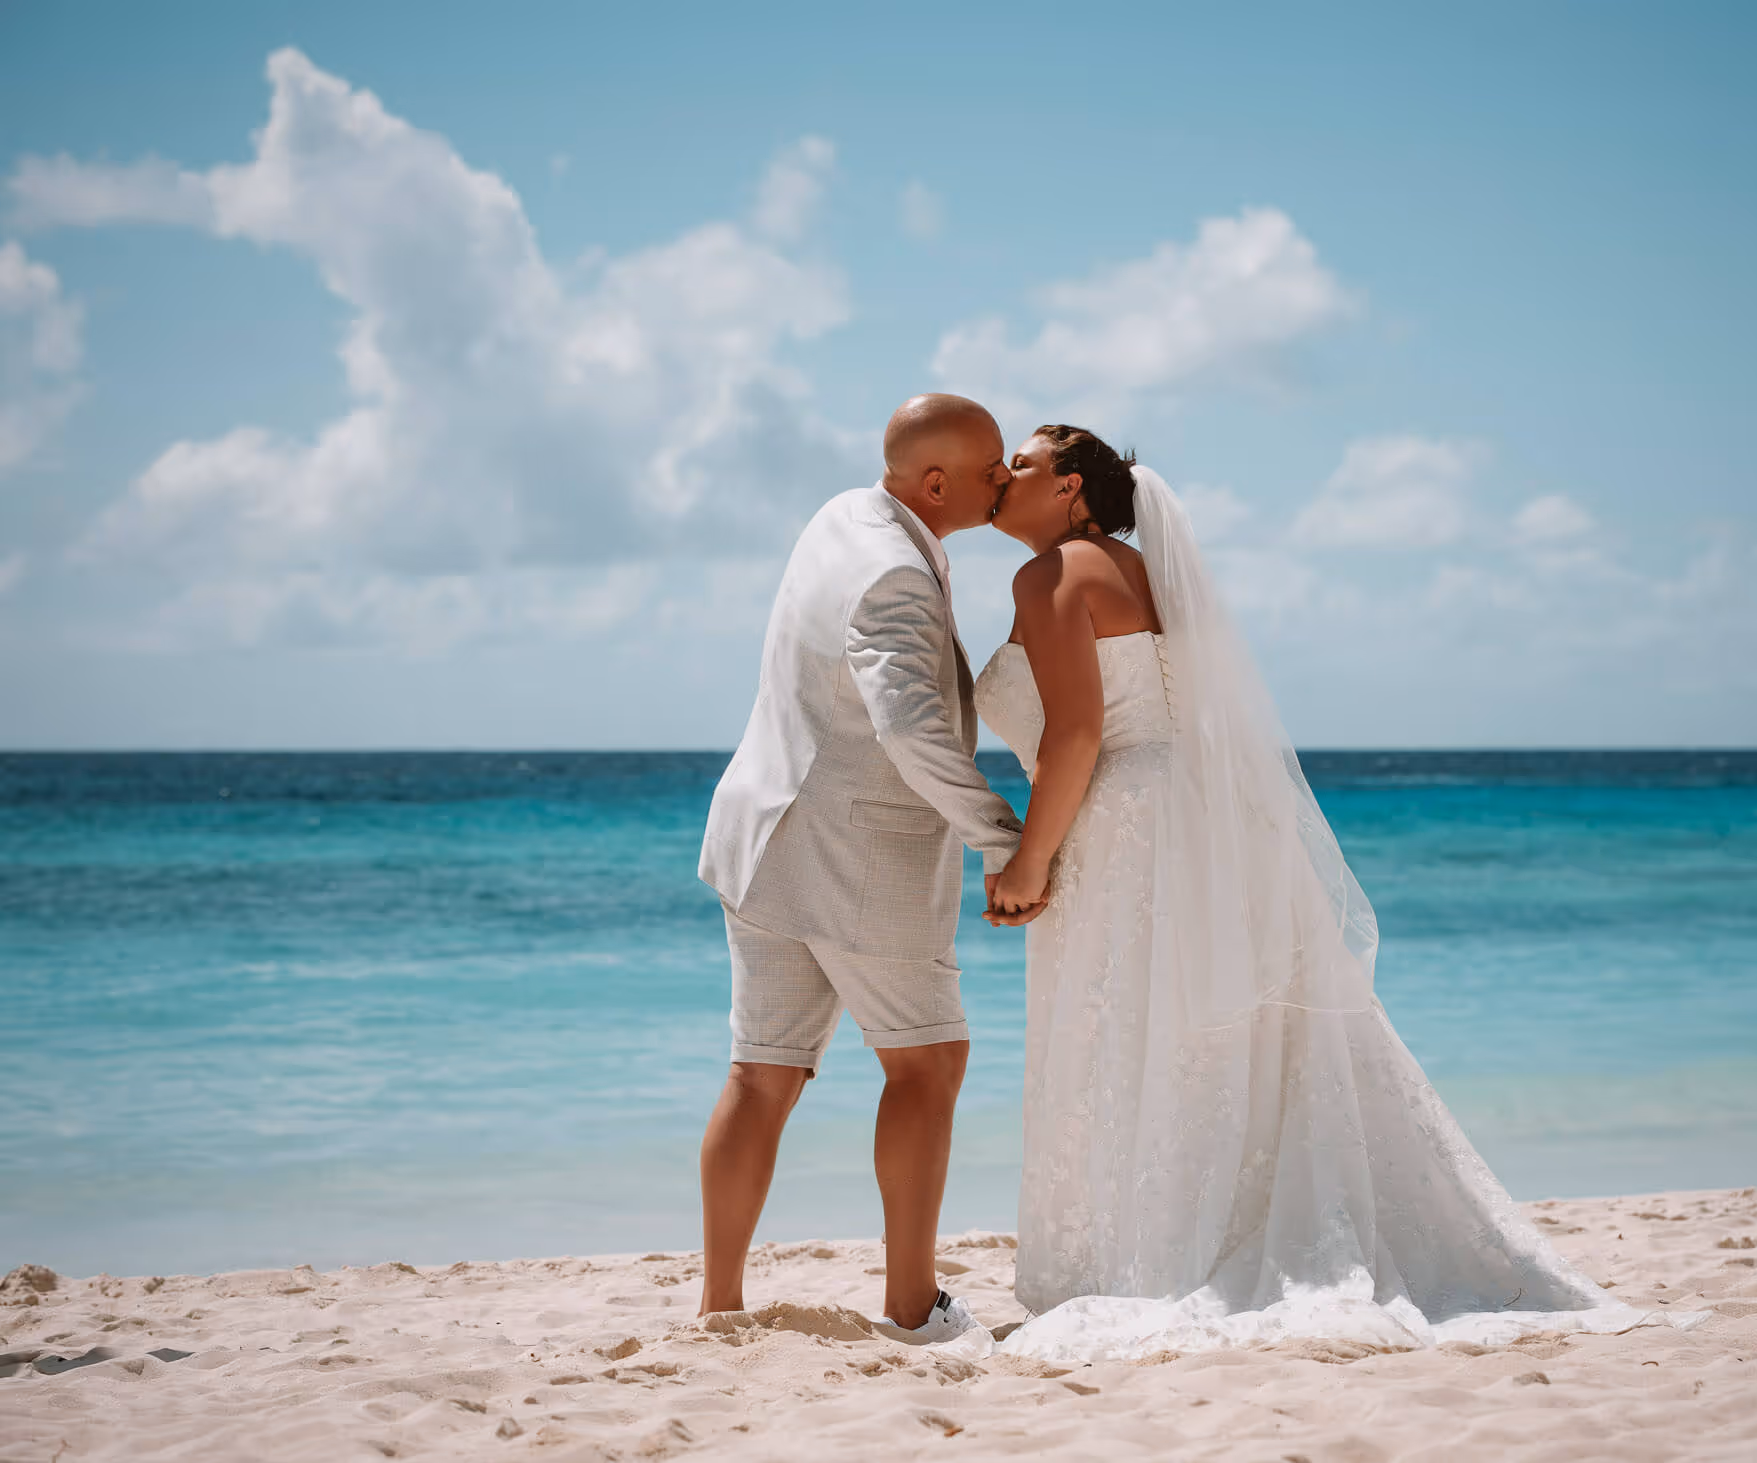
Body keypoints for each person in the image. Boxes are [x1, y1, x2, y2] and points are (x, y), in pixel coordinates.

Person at [974, 426, 1701, 1361]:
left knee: (1123, 1033)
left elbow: (1076, 737)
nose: (1003, 479)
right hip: (1210, 819)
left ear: (1072, 488)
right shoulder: (1151, 573)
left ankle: (1141, 1249)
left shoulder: (1048, 577)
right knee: (1223, 1034)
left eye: (1022, 466)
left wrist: (1029, 862)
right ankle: (1206, 1228)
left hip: (1122, 825)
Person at [695, 393, 1041, 1348]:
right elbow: (906, 722)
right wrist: (998, 835)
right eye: (990, 469)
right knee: (928, 1060)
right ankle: (911, 1306)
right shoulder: (896, 567)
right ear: (937, 485)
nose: (1005, 479)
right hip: (852, 855)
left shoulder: (843, 514)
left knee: (761, 1073)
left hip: (758, 835)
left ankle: (719, 1306)